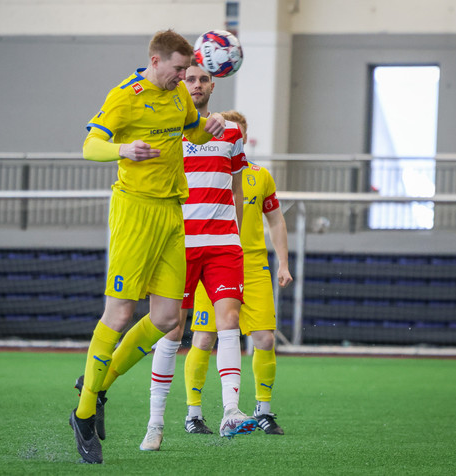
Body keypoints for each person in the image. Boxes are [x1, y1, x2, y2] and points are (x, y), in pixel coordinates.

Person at [69, 29, 226, 464]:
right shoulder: (126, 95)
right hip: (135, 212)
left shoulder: (178, 97)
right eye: (178, 69)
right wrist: (124, 149)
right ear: (155, 61)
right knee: (120, 313)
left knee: (167, 318)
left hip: (172, 212)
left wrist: (209, 126)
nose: (184, 77)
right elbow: (89, 146)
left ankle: (97, 386)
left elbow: (193, 132)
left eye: (188, 70)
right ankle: (84, 414)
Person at [139, 60, 257, 452]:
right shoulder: (170, 130)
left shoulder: (232, 132)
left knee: (229, 321)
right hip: (179, 244)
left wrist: (236, 234)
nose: (196, 84)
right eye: (189, 78)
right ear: (180, 83)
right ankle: (155, 423)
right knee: (172, 329)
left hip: (223, 244)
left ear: (212, 85)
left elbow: (237, 188)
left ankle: (231, 411)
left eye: (203, 79)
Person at [184, 110, 293, 436]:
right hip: (213, 261)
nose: (235, 136)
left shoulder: (260, 176)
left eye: (239, 132)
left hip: (253, 264)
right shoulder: (207, 169)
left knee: (265, 338)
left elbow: (276, 220)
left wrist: (283, 263)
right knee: (204, 337)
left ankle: (263, 410)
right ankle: (193, 413)